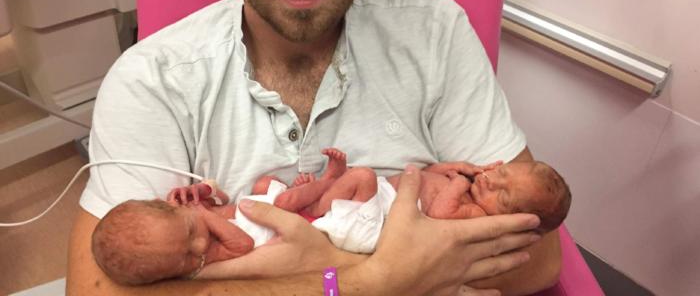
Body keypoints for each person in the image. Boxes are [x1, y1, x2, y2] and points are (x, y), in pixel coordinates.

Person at [67, 0, 562, 295]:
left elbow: (538, 256)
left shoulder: (434, 32)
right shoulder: (153, 80)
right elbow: (95, 288)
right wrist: (372, 280)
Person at [90, 149, 570, 285]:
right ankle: (326, 185)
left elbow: (541, 256)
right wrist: (369, 282)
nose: (201, 250)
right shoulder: (189, 248)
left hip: (363, 234)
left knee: (266, 192)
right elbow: (232, 238)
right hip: (345, 246)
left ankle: (325, 184)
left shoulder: (437, 22)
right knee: (281, 199)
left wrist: (204, 199)